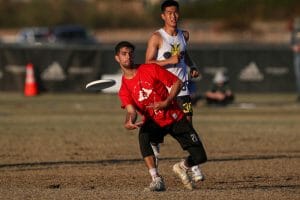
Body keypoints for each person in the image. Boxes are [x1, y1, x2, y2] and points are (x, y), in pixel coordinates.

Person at [115, 41, 207, 191]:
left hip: (174, 116)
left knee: (200, 157)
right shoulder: (124, 89)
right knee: (143, 135)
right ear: (117, 58)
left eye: (130, 53)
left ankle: (182, 167)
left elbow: (177, 83)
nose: (128, 56)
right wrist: (129, 122)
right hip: (154, 122)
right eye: (124, 54)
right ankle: (156, 179)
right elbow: (131, 111)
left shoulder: (150, 68)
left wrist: (166, 102)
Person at [145, 0, 204, 182]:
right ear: (163, 16)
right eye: (169, 13)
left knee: (188, 124)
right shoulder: (157, 37)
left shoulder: (184, 35)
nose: (173, 16)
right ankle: (154, 142)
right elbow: (148, 62)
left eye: (176, 12)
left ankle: (192, 164)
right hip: (164, 88)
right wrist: (168, 62)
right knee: (162, 124)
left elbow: (184, 55)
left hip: (182, 88)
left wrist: (191, 66)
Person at [291, 17, 300, 101]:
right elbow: (292, 43)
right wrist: (294, 47)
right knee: (298, 76)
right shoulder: (295, 32)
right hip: (297, 55)